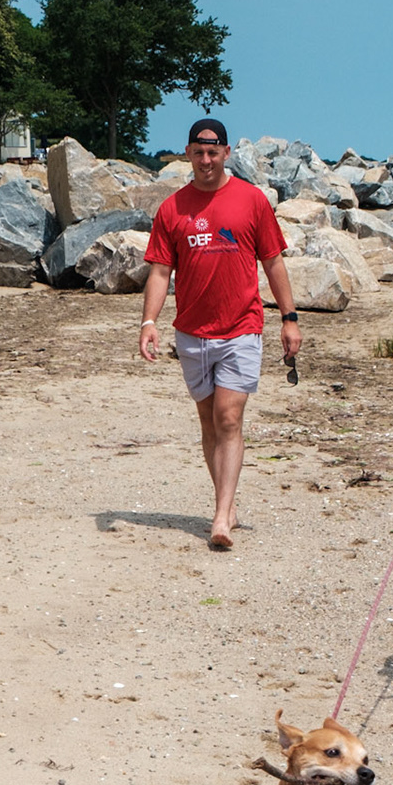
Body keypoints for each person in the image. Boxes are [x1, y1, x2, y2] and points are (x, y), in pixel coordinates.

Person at [139, 117, 301, 550]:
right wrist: (149, 322)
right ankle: (227, 505)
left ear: (227, 153)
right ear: (188, 154)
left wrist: (289, 318)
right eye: (199, 153)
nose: (206, 160)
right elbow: (160, 271)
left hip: (241, 327)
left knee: (229, 418)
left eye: (213, 152)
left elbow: (273, 261)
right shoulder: (172, 209)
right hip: (192, 332)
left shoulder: (251, 200)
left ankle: (220, 516)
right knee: (209, 421)